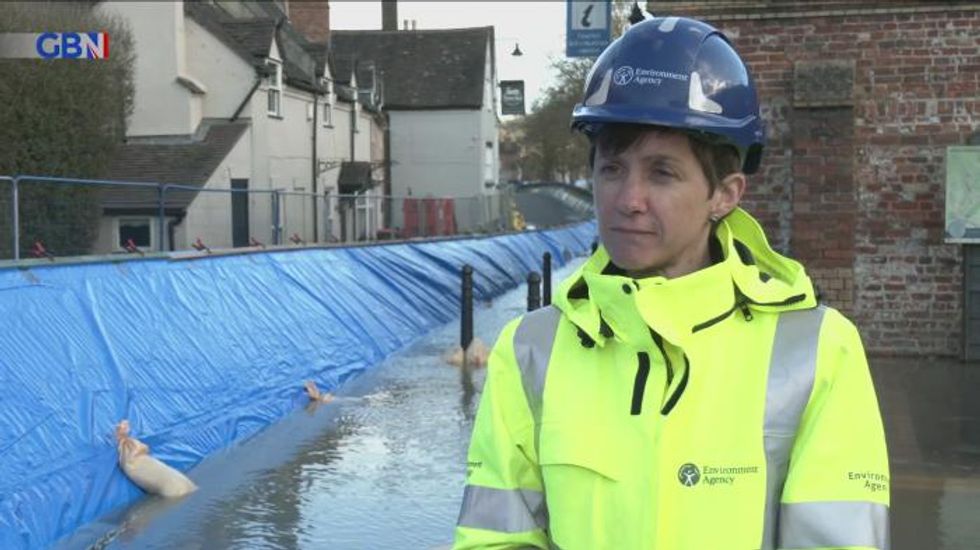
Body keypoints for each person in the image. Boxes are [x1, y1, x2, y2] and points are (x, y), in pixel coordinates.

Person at [453, 16, 889, 550]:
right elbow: (495, 540)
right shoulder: (529, 351)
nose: (628, 198)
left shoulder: (819, 351)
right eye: (612, 169)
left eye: (662, 173)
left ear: (724, 194)